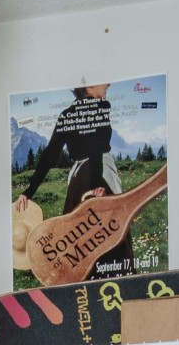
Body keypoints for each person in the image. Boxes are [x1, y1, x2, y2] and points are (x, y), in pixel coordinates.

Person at [15, 84, 134, 276]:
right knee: (111, 237)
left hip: (80, 179)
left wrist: (29, 191)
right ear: (90, 86)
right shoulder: (99, 109)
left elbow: (50, 153)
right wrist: (96, 184)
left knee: (77, 241)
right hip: (97, 177)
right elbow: (95, 147)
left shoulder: (67, 114)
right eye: (104, 81)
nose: (109, 84)